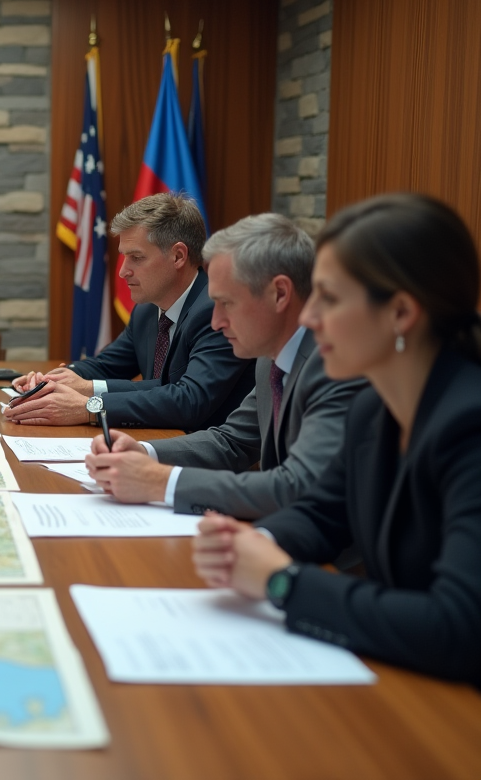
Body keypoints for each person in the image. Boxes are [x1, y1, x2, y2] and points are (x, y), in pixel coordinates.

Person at [193, 194, 481, 684]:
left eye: (328, 298)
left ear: (400, 313)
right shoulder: (373, 409)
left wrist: (283, 582)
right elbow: (322, 512)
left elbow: (458, 627)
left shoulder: (469, 424)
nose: (308, 318)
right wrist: (251, 543)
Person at [85, 213, 365, 518]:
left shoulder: (334, 366)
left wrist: (159, 481)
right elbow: (232, 441)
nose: (216, 321)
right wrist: (145, 452)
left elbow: (296, 486)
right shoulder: (270, 357)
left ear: (280, 294)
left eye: (227, 303)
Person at [5, 193, 254, 431]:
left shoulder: (216, 311)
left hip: (209, 452)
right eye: (124, 257)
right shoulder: (147, 310)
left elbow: (189, 400)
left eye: (136, 257)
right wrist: (57, 379)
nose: (123, 271)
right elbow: (107, 366)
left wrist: (88, 406)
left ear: (178, 256)